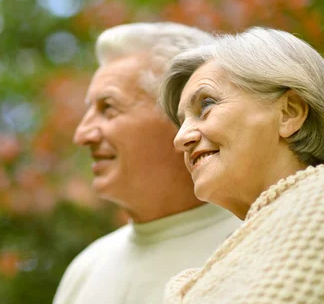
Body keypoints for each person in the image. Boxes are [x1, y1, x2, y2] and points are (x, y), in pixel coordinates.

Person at [160, 27, 324, 304]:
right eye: (182, 121)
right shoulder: (244, 250)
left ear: (289, 112)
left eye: (206, 105)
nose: (180, 138)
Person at [53, 23, 242, 304]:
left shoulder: (263, 245)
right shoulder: (86, 268)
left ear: (183, 117)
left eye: (108, 108)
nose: (82, 135)